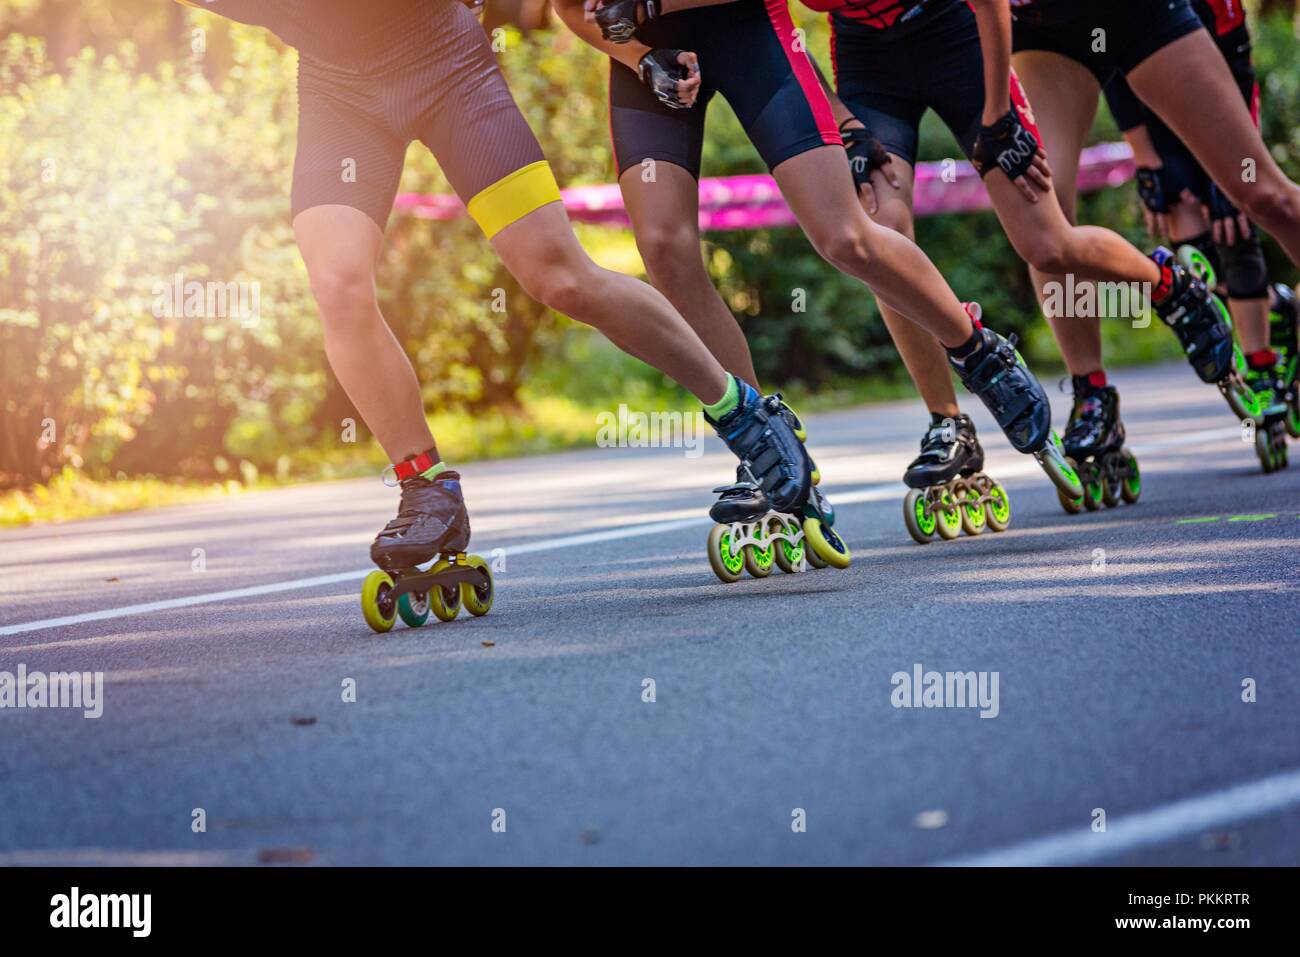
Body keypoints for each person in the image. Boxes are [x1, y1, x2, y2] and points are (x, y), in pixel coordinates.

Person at [173, 0, 826, 595]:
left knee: (559, 277)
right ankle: (426, 488)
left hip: (443, 64)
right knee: (338, 284)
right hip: (338, 93)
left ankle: (741, 410)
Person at [561, 0, 1085, 527]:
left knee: (845, 237)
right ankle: (757, 431)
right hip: (651, 55)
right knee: (664, 251)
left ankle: (979, 353)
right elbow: (568, 7)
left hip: (749, 30)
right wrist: (634, 56)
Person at [1006, 0, 1300, 476]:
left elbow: (1234, 60)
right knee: (1044, 213)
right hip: (1042, 31)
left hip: (1139, 15)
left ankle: (1252, 319)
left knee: (1262, 196)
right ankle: (1091, 393)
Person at [1101, 0, 1299, 470]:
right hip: (1159, 125)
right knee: (1194, 255)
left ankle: (1263, 365)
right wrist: (1146, 163)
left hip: (1218, 113)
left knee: (1234, 227)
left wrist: (1235, 179)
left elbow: (1240, 73)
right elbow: (1112, 72)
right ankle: (1276, 309)